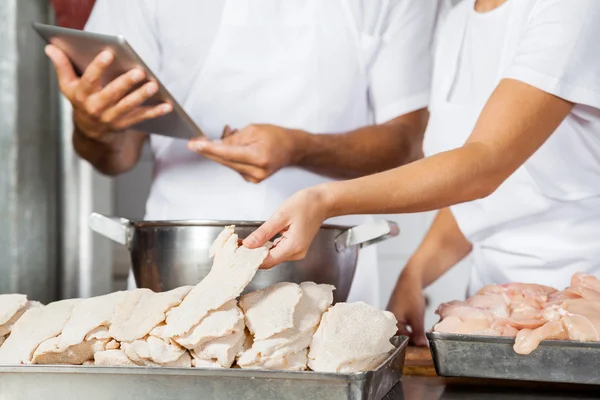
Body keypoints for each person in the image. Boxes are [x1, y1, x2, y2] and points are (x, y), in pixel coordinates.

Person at [244, 0, 600, 345]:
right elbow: (486, 193)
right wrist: (415, 274)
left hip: (584, 307)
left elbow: (484, 167)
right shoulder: (456, 20)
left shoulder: (573, 8)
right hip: (498, 312)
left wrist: (324, 199)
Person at [45, 0, 444, 308]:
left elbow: (406, 143)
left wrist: (301, 148)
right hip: (175, 273)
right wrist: (95, 125)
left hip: (330, 269)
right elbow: (116, 156)